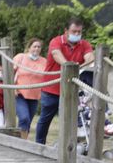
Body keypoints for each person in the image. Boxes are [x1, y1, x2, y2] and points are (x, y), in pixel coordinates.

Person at [36, 17, 94, 145]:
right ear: (66, 31)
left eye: (79, 32)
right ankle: (39, 145)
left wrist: (88, 63)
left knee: (70, 120)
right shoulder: (56, 41)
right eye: (74, 31)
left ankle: (67, 146)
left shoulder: (84, 44)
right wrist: (69, 66)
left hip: (71, 90)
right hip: (51, 89)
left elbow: (90, 57)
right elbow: (57, 55)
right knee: (45, 120)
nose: (77, 34)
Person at [11, 38, 46, 140]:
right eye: (34, 46)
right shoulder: (20, 57)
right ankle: (22, 142)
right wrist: (13, 88)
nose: (37, 48)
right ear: (29, 47)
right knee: (24, 118)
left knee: (28, 122)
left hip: (34, 96)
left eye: (39, 47)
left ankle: (20, 140)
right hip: (20, 94)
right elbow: (9, 72)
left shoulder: (44, 61)